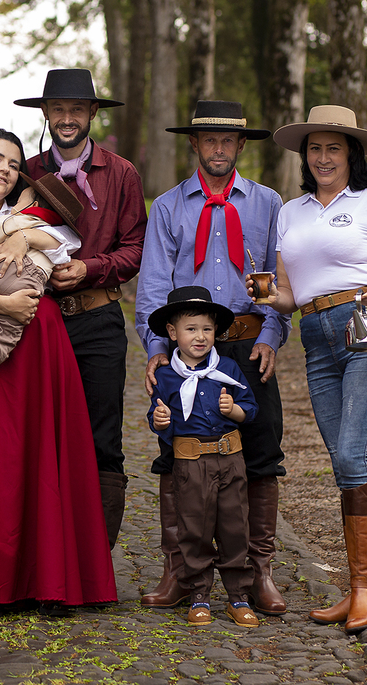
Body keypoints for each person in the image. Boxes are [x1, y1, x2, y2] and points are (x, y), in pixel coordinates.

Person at [0, 128, 117, 616]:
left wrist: (24, 232)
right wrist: (2, 302)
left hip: (40, 344)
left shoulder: (32, 216)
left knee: (42, 454)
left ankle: (48, 581)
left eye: (13, 163)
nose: (4, 169)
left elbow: (67, 247)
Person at [255, 105, 367, 634]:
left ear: (351, 153)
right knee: (342, 460)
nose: (323, 157)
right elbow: (287, 295)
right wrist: (260, 292)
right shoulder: (291, 212)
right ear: (304, 156)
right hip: (316, 335)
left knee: (354, 452)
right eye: (314, 148)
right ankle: (356, 588)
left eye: (333, 147)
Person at [135, 100, 291, 616]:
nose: (219, 149)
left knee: (261, 446)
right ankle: (180, 569)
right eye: (209, 140)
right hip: (186, 345)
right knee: (176, 449)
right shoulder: (168, 207)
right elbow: (155, 284)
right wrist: (158, 348)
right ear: (194, 144)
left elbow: (280, 279)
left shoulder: (269, 204)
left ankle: (258, 570)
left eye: (228, 140)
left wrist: (271, 333)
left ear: (241, 146)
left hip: (248, 343)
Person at [18, 68, 148, 548]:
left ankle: (92, 559)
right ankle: (42, 556)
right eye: (58, 109)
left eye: (77, 109)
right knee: (40, 437)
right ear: (47, 114)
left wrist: (91, 268)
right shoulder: (28, 172)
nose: (67, 118)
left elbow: (136, 246)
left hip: (98, 319)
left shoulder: (121, 173)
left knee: (100, 439)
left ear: (93, 113)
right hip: (37, 322)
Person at [146, 286, 260, 628]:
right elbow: (157, 416)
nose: (200, 337)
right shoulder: (166, 376)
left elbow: (252, 408)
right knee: (194, 529)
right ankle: (198, 595)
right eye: (191, 329)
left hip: (230, 460)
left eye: (207, 330)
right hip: (190, 464)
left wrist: (235, 410)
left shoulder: (228, 368)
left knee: (235, 526)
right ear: (172, 332)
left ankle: (238, 596)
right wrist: (159, 420)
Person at [0, 172, 83, 404]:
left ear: (33, 205)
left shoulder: (22, 220)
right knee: (6, 327)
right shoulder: (57, 234)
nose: (13, 207)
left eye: (19, 202)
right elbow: (62, 259)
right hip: (30, 281)